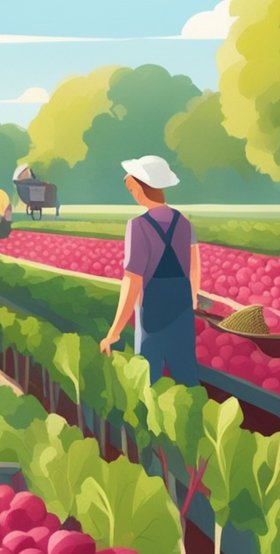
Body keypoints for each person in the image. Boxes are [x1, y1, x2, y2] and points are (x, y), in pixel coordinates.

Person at [99, 155, 201, 386]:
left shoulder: (138, 226)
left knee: (148, 380)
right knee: (187, 378)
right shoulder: (184, 222)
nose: (132, 194)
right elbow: (194, 267)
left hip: (152, 313)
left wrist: (115, 331)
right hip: (182, 312)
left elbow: (132, 279)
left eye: (133, 188)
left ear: (142, 187)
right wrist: (191, 299)